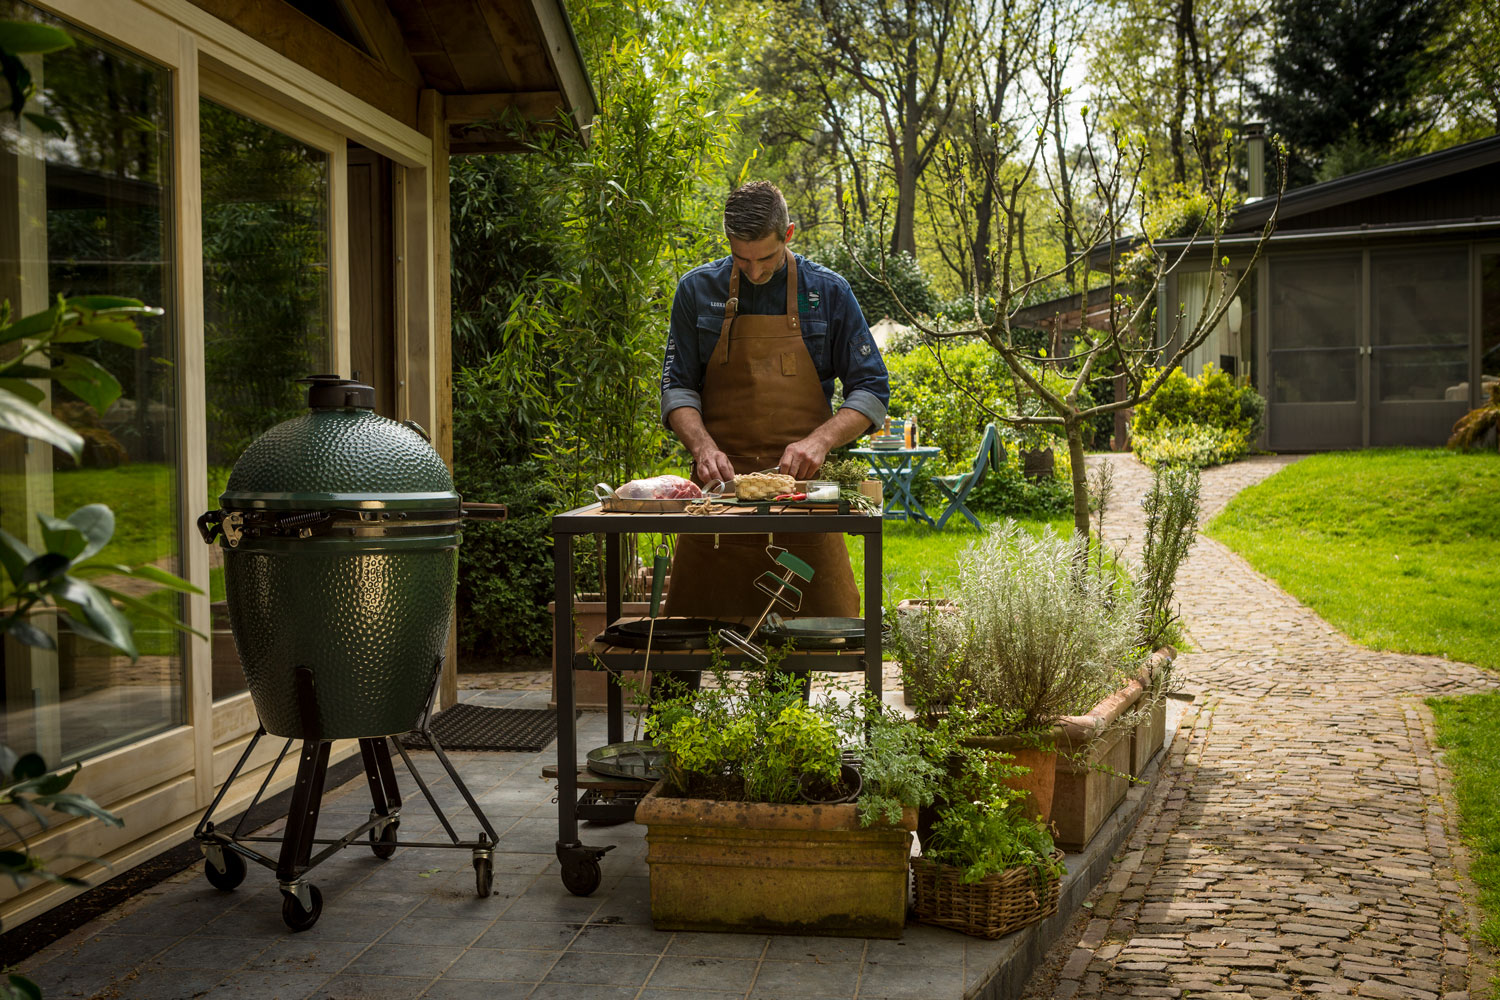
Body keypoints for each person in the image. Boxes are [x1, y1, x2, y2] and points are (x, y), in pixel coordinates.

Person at [657, 181, 889, 642]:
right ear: (727, 241)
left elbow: (871, 389)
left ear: (789, 234)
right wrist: (702, 446)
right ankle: (675, 715)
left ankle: (784, 718)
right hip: (716, 500)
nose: (755, 270)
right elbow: (677, 387)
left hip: (801, 501)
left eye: (765, 257)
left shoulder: (829, 292)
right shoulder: (697, 290)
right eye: (742, 258)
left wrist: (818, 441)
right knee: (681, 642)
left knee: (799, 643)